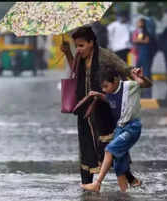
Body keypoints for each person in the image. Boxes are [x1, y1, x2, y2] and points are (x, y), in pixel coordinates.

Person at [60, 26, 141, 188]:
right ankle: (87, 185)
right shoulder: (79, 56)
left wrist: (135, 73)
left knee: (109, 146)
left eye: (82, 45)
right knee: (86, 146)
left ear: (92, 42)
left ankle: (130, 178)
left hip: (103, 108)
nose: (79, 49)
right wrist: (68, 53)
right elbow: (75, 72)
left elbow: (123, 68)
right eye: (77, 46)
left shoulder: (105, 56)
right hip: (84, 107)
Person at [81, 66, 152, 192]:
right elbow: (108, 99)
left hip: (132, 128)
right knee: (119, 165)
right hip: (120, 128)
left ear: (115, 80)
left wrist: (140, 77)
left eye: (106, 86)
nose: (104, 89)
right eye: (102, 87)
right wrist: (99, 94)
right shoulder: (110, 93)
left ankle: (97, 183)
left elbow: (146, 84)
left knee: (109, 150)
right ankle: (124, 194)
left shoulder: (129, 86)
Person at [132, 18, 153, 98]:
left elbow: (145, 41)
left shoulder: (145, 32)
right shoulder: (139, 31)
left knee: (146, 69)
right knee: (138, 68)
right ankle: (140, 83)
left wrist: (137, 40)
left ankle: (146, 86)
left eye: (139, 22)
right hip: (140, 53)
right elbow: (136, 40)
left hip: (145, 52)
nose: (138, 24)